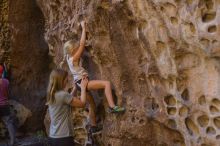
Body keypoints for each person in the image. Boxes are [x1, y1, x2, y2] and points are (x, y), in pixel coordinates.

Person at [60, 20, 125, 115]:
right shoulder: (74, 58)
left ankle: (93, 125)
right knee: (106, 84)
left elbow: (77, 46)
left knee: (91, 105)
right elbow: (82, 44)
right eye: (76, 48)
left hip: (79, 83)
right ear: (73, 50)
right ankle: (112, 107)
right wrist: (84, 28)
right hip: (83, 83)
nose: (79, 48)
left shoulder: (68, 57)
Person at [46, 69, 88, 146]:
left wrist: (75, 88)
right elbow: (82, 104)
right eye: (66, 79)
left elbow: (68, 99)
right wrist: (83, 88)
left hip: (53, 138)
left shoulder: (53, 94)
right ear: (61, 80)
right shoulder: (63, 95)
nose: (67, 80)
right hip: (63, 138)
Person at [0, 65, 16, 146]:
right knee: (9, 123)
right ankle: (12, 141)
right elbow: (8, 93)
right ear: (2, 72)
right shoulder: (6, 82)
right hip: (5, 105)